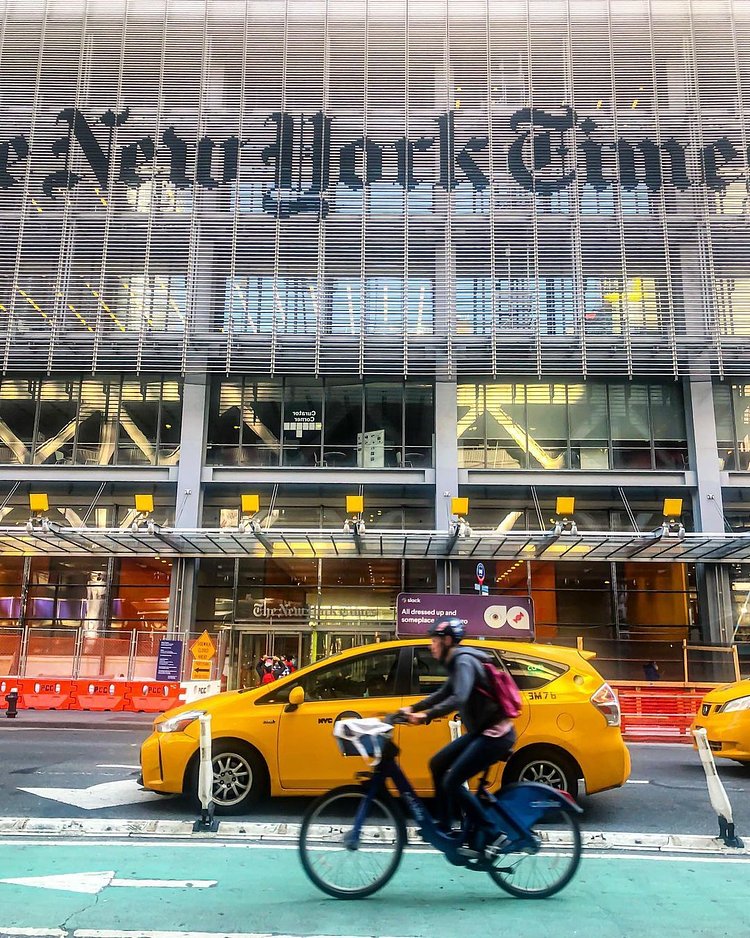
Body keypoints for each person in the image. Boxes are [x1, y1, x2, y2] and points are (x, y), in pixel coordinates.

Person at [400, 616, 516, 841]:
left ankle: (493, 833)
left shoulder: (464, 662)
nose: (431, 646)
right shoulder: (457, 663)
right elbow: (443, 693)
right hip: (481, 732)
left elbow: (459, 696)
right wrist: (413, 708)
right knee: (437, 764)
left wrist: (426, 715)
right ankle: (444, 825)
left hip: (495, 735)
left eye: (434, 640)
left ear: (447, 641)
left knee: (452, 781)